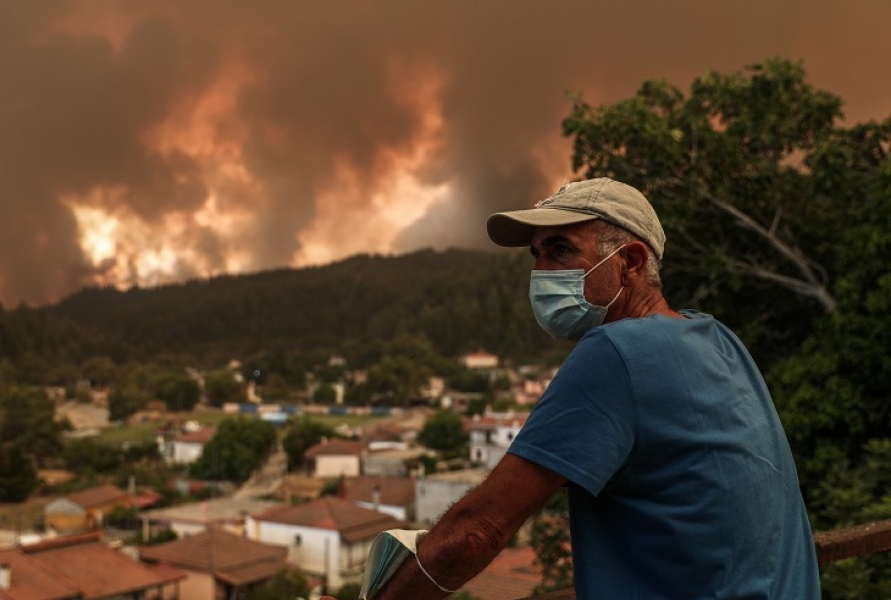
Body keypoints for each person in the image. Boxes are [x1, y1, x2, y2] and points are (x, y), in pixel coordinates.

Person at [332, 178, 820, 599]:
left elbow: (474, 535)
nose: (542, 270)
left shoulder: (615, 352)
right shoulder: (718, 338)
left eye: (561, 249)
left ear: (630, 261)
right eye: (538, 254)